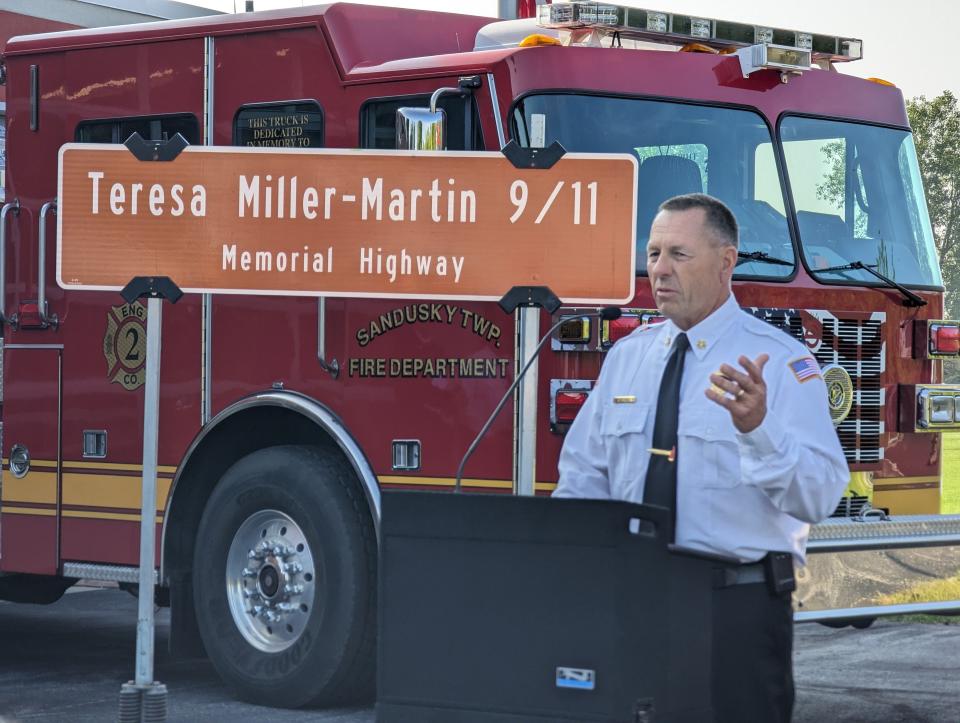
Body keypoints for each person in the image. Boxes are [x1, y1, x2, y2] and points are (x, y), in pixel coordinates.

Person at [554, 193, 848, 722]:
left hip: (733, 614)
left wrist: (759, 428)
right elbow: (583, 479)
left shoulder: (781, 364)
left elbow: (820, 495)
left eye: (679, 255)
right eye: (652, 254)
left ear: (726, 262)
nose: (659, 271)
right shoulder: (627, 358)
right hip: (632, 604)